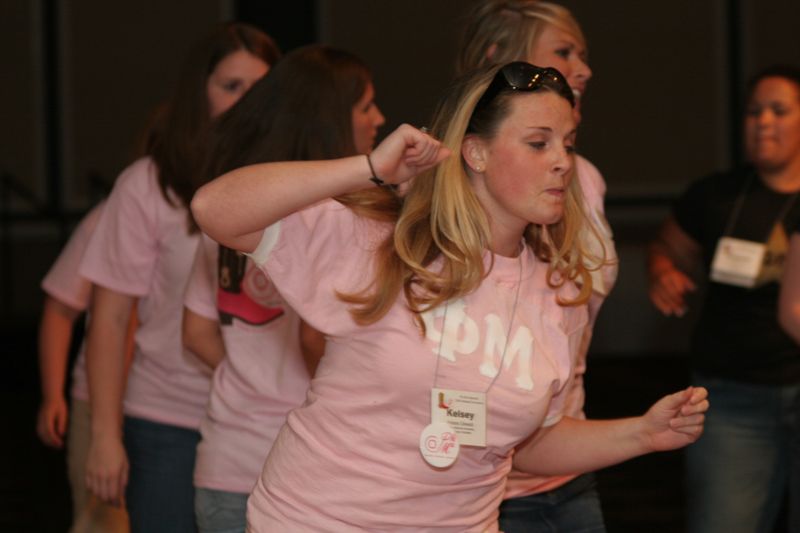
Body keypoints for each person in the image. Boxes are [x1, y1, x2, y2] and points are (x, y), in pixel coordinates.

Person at [192, 61, 707, 532]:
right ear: (476, 152)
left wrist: (642, 433)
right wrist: (370, 167)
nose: (562, 163)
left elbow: (529, 443)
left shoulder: (558, 289)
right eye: (538, 143)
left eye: (567, 143)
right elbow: (215, 209)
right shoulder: (383, 244)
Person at [78, 23, 279, 533]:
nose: (245, 102)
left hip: (261, 423)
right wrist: (105, 433)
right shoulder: (149, 185)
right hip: (169, 420)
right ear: (200, 93)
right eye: (231, 86)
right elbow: (110, 316)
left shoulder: (288, 183)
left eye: (259, 89)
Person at [182, 44, 385, 533]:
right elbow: (315, 341)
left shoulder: (239, 206)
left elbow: (196, 333)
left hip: (226, 460)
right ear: (330, 119)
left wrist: (252, 380)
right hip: (310, 473)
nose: (379, 119)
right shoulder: (338, 218)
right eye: (366, 107)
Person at [456, 2, 617, 530]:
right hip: (480, 481)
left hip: (568, 463)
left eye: (584, 55)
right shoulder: (455, 185)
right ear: (500, 60)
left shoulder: (584, 178)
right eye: (563, 53)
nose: (584, 68)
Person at [649, 64, 800, 533]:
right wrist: (663, 272)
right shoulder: (716, 196)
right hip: (733, 397)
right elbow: (666, 249)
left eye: (779, 110)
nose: (764, 122)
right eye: (754, 112)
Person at [37, 201, 133, 532]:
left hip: (179, 407)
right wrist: (53, 395)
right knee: (103, 521)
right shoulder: (109, 219)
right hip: (98, 401)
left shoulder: (216, 211)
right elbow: (60, 309)